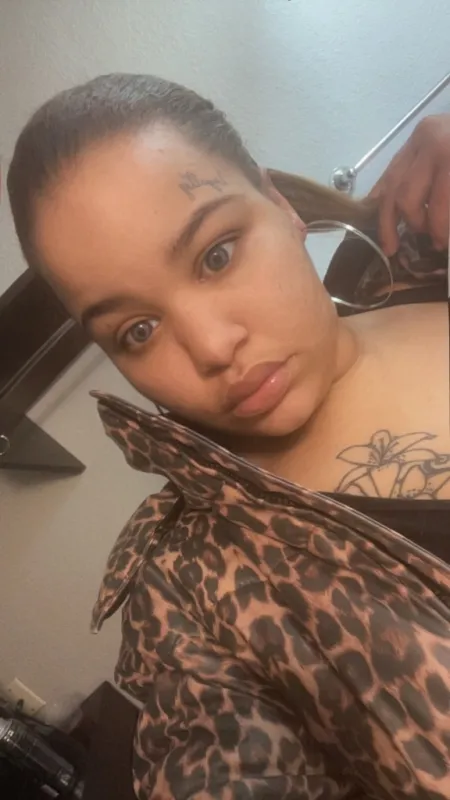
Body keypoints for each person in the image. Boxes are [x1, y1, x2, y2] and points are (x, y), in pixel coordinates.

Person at [7, 74, 450, 800]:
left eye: (216, 255)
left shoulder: (429, 261)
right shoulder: (193, 595)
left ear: (281, 206)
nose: (212, 347)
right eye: (138, 330)